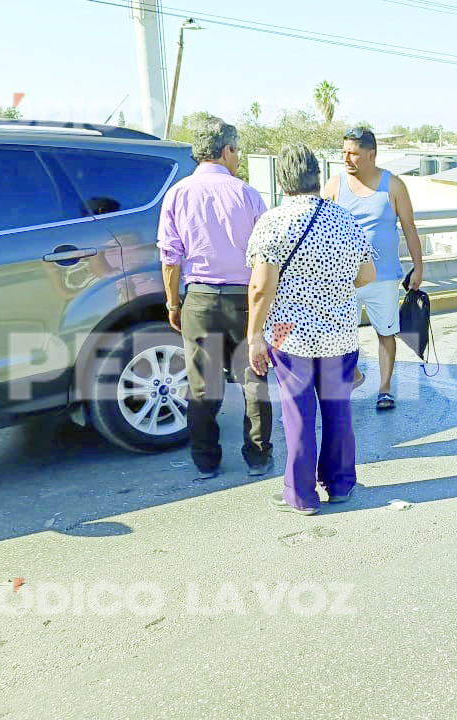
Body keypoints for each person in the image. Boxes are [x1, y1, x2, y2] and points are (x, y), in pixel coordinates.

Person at [247, 144, 375, 515]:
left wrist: (255, 337)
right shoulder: (345, 219)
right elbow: (366, 274)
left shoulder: (273, 222)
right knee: (338, 410)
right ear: (316, 177)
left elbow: (260, 288)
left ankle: (301, 495)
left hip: (289, 331)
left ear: (282, 180)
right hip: (340, 329)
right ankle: (340, 484)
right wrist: (329, 290)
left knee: (298, 413)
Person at [158, 115, 274, 481]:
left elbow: (170, 257)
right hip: (245, 299)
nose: (238, 157)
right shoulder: (248, 194)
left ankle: (206, 460)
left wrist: (173, 303)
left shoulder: (177, 194)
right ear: (225, 151)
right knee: (254, 378)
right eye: (237, 150)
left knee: (204, 383)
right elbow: (267, 256)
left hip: (200, 299)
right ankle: (257, 456)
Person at [322, 126, 424, 411]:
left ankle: (385, 388)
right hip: (343, 280)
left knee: (385, 332)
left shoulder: (393, 185)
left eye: (353, 153)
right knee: (342, 334)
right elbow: (320, 230)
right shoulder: (334, 185)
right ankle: (350, 377)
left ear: (371, 154)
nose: (346, 158)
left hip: (383, 277)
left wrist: (418, 267)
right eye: (343, 153)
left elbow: (409, 227)